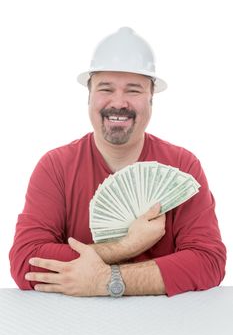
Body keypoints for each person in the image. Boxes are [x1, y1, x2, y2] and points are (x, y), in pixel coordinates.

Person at [9, 27, 226, 297]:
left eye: (133, 90)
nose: (119, 102)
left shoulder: (182, 165)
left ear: (151, 99)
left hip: (167, 328)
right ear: (89, 97)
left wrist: (107, 280)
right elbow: (26, 262)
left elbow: (208, 262)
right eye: (106, 88)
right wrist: (126, 247)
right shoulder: (56, 166)